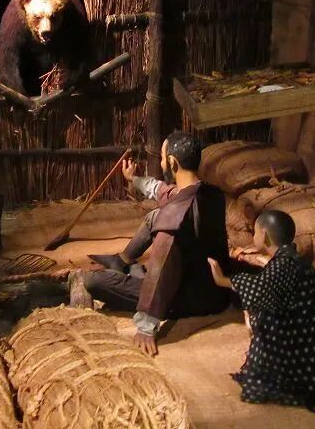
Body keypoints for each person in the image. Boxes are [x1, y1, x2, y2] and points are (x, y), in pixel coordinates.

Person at [84, 131, 231, 356]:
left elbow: (161, 269)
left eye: (162, 158)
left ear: (172, 162)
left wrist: (146, 326)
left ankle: (128, 270)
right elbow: (158, 188)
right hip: (213, 289)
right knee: (154, 216)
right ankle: (123, 261)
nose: (161, 163)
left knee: (94, 281)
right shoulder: (210, 193)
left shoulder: (175, 215)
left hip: (188, 298)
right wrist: (133, 179)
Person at [207, 210, 315, 413]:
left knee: (262, 366)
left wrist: (221, 280)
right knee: (264, 314)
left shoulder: (284, 265)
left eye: (255, 232)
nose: (253, 237)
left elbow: (260, 290)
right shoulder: (290, 258)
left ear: (264, 235)